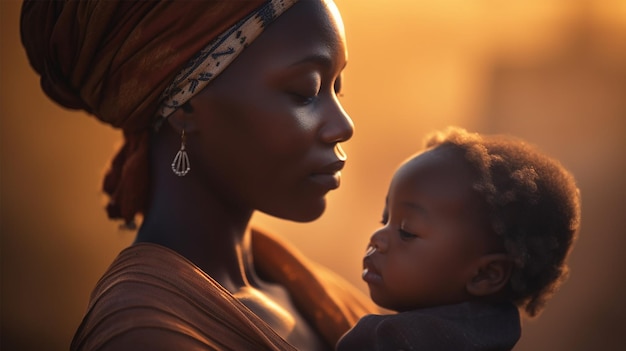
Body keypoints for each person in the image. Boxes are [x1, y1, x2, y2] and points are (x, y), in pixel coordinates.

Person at [20, 0, 379, 350]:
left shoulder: (301, 288)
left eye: (337, 87)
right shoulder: (145, 335)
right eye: (306, 91)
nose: (343, 125)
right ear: (188, 104)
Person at [336, 127, 581, 351]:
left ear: (485, 274)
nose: (377, 238)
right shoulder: (497, 333)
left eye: (406, 231)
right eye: (385, 220)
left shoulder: (388, 341)